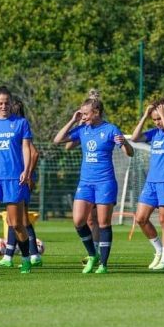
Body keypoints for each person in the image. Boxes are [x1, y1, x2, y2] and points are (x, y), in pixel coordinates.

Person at [53, 90, 134, 274]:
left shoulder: (111, 129)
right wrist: (74, 120)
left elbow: (130, 153)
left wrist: (126, 144)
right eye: (81, 113)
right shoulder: (82, 129)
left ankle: (103, 264)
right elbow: (58, 140)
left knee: (104, 223)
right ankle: (92, 255)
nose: (84, 116)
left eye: (86, 113)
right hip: (86, 183)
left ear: (96, 112)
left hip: (105, 182)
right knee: (78, 220)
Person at [0, 86, 37, 273]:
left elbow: (27, 148)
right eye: (0, 103)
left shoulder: (20, 123)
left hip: (13, 178)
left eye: (7, 103)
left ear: (11, 104)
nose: (4, 106)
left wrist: (26, 171)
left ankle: (26, 258)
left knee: (17, 223)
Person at [0, 96, 44, 269]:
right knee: (19, 219)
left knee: (19, 219)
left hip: (19, 178)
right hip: (16, 176)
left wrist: (28, 174)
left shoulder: (18, 128)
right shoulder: (10, 128)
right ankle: (27, 254)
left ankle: (22, 255)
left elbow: (34, 153)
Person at [131, 99, 164, 271]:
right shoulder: (154, 133)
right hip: (151, 182)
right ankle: (159, 250)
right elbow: (134, 137)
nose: (157, 122)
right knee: (140, 218)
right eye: (154, 120)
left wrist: (162, 114)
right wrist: (145, 115)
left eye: (159, 118)